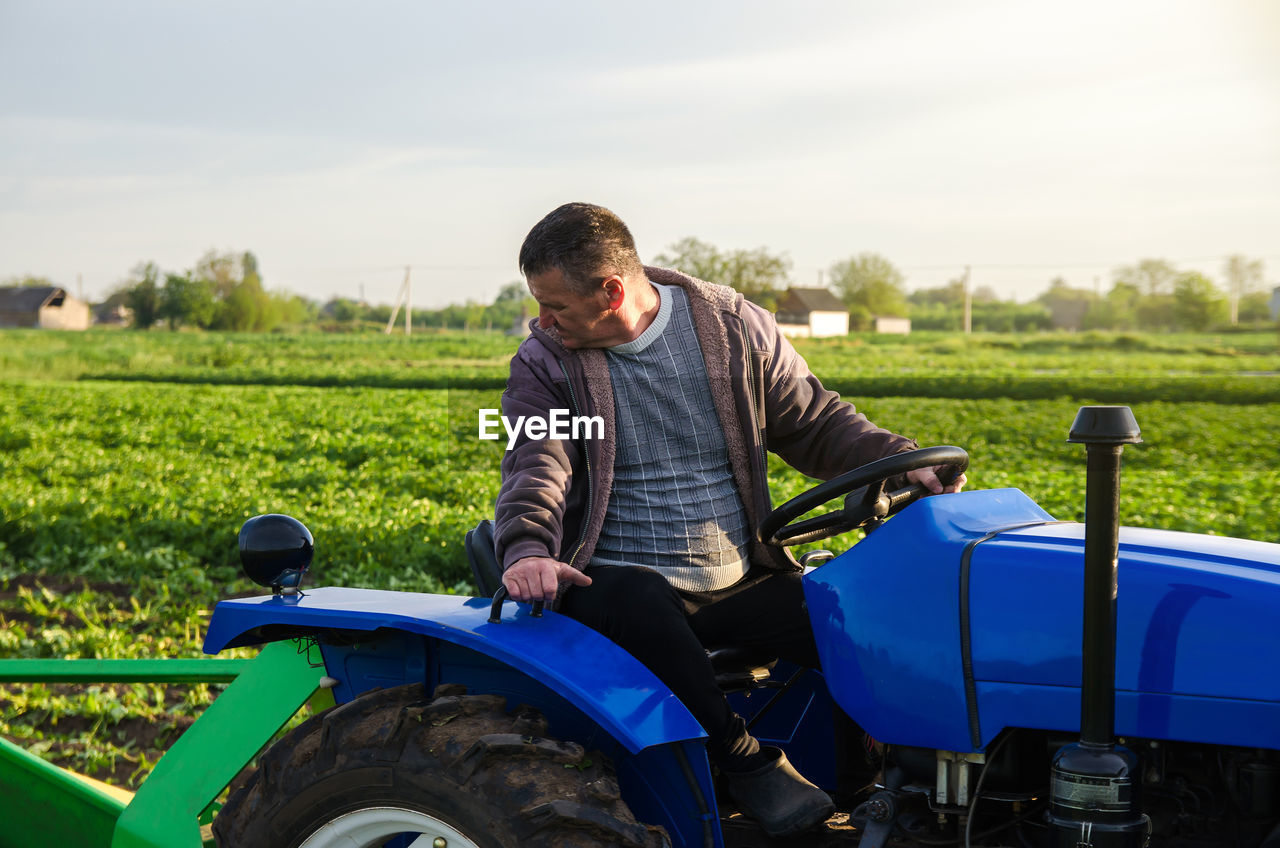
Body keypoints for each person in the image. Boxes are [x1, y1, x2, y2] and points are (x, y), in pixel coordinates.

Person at [494, 202, 964, 838]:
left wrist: (898, 458)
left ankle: (866, 794)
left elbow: (815, 420)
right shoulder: (546, 363)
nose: (542, 320)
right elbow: (537, 463)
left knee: (855, 628)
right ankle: (743, 762)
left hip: (737, 574)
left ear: (612, 291)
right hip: (619, 578)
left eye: (556, 307)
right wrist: (526, 548)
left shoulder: (729, 326)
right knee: (633, 598)